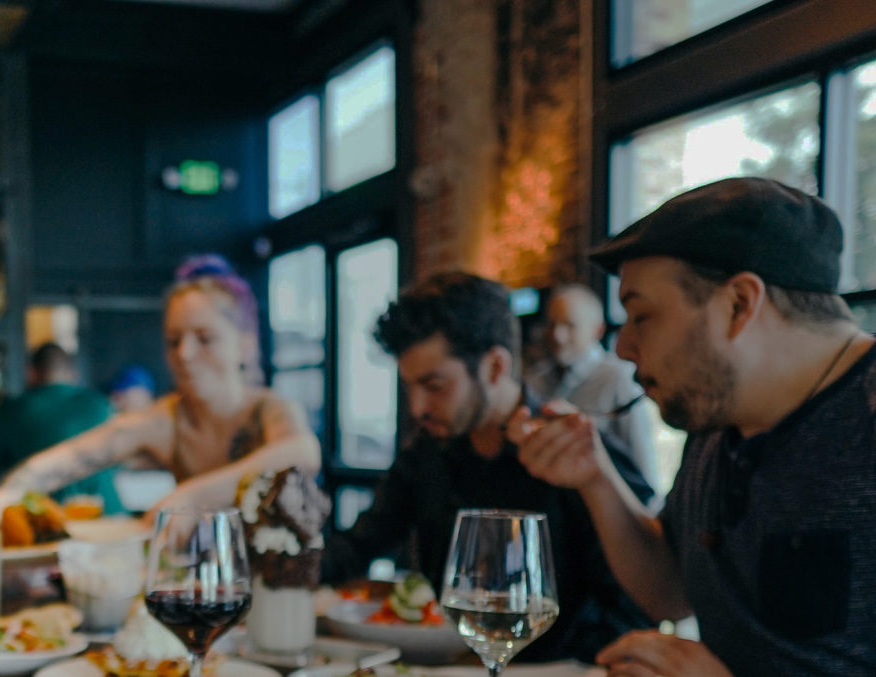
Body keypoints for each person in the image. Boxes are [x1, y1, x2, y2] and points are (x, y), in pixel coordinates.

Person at [513, 177, 876, 676]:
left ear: (739, 304)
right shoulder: (718, 415)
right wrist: (595, 477)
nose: (622, 348)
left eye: (641, 317)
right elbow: (671, 592)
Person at [321, 271, 653, 664]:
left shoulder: (577, 453)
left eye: (435, 386)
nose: (417, 408)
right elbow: (357, 547)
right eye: (410, 387)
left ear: (495, 367)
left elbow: (637, 605)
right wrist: (279, 558)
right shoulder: (427, 455)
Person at [0, 254, 320, 533]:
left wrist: (189, 497)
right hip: (208, 589)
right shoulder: (167, 419)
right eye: (173, 340)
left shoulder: (270, 409)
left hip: (286, 594)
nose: (184, 354)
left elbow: (301, 453)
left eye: (204, 338)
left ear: (247, 345)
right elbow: (67, 460)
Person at [525, 284, 662, 493]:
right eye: (552, 325)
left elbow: (642, 464)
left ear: (597, 330)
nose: (558, 335)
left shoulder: (618, 378)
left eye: (569, 326)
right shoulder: (536, 379)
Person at [0, 343, 118, 511]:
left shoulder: (11, 409)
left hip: (44, 518)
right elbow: (118, 461)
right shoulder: (100, 404)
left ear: (31, 372)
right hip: (107, 515)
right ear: (71, 372)